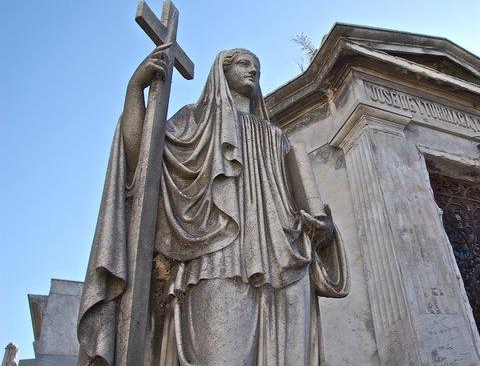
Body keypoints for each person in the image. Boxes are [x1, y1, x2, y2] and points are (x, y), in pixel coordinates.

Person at [77, 46, 350, 366]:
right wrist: (136, 88)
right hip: (214, 258)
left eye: (257, 67)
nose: (253, 70)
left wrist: (324, 232)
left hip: (286, 265)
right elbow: (141, 160)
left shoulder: (277, 138)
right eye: (244, 63)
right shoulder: (194, 120)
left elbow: (302, 206)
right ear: (222, 70)